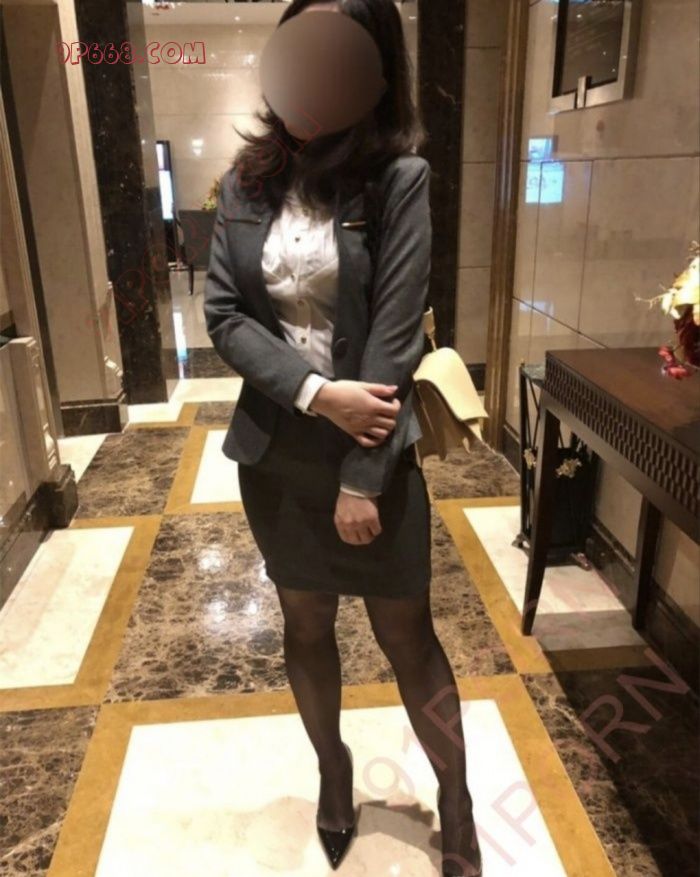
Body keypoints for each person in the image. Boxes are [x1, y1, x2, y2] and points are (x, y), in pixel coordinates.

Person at [203, 1, 482, 874]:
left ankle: (457, 795)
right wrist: (317, 393)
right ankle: (332, 768)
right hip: (279, 451)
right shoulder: (246, 182)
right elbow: (224, 314)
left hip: (375, 447)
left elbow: (396, 333)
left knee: (408, 634)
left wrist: (363, 476)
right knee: (305, 620)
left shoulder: (397, 179)